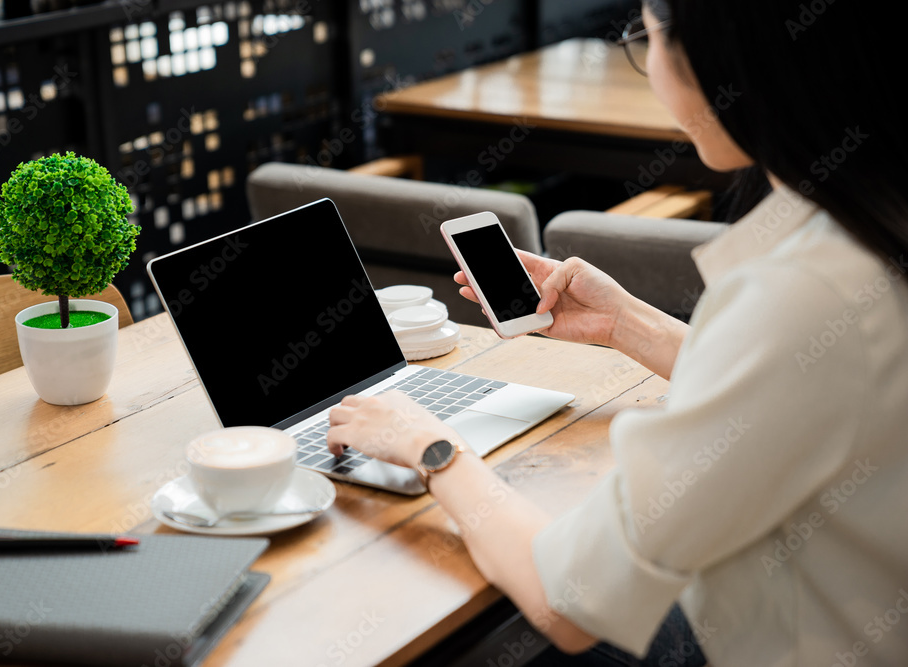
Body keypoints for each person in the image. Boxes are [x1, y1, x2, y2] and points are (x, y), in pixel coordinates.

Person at [326, 0, 908, 663]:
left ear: (722, 61)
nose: (648, 64)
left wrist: (431, 447)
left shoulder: (799, 292)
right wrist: (627, 324)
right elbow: (799, 390)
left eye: (644, 37)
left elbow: (567, 596)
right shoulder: (865, 225)